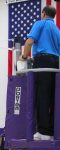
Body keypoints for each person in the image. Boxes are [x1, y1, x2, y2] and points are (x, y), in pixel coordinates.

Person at [20, 6, 60, 141]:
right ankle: (54, 130)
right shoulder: (56, 29)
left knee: (42, 96)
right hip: (56, 63)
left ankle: (44, 132)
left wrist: (24, 57)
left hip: (43, 61)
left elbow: (29, 41)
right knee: (53, 97)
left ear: (43, 13)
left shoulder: (40, 23)